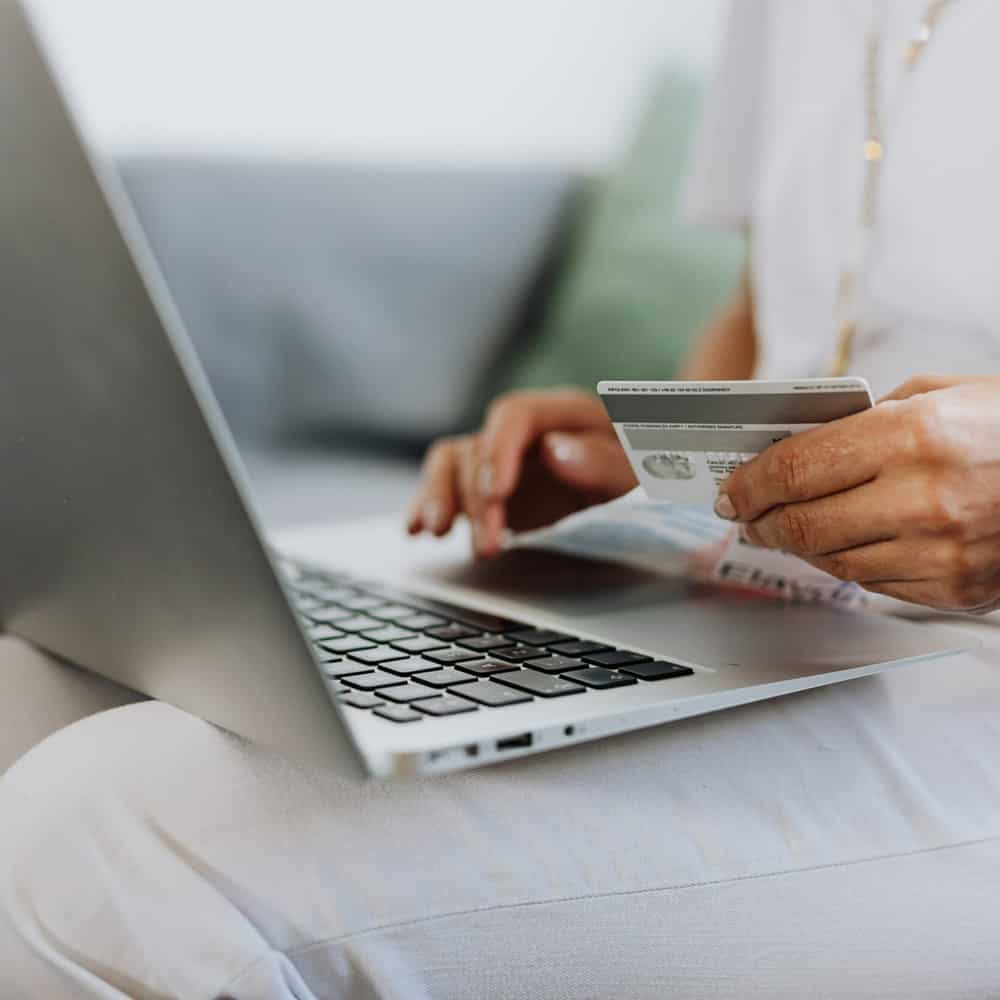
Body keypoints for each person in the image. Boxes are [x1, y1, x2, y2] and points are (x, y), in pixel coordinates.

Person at [5, 3, 1000, 997]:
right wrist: (669, 465)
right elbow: (769, 306)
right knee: (29, 685)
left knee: (109, 853)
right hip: (783, 603)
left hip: (971, 672)